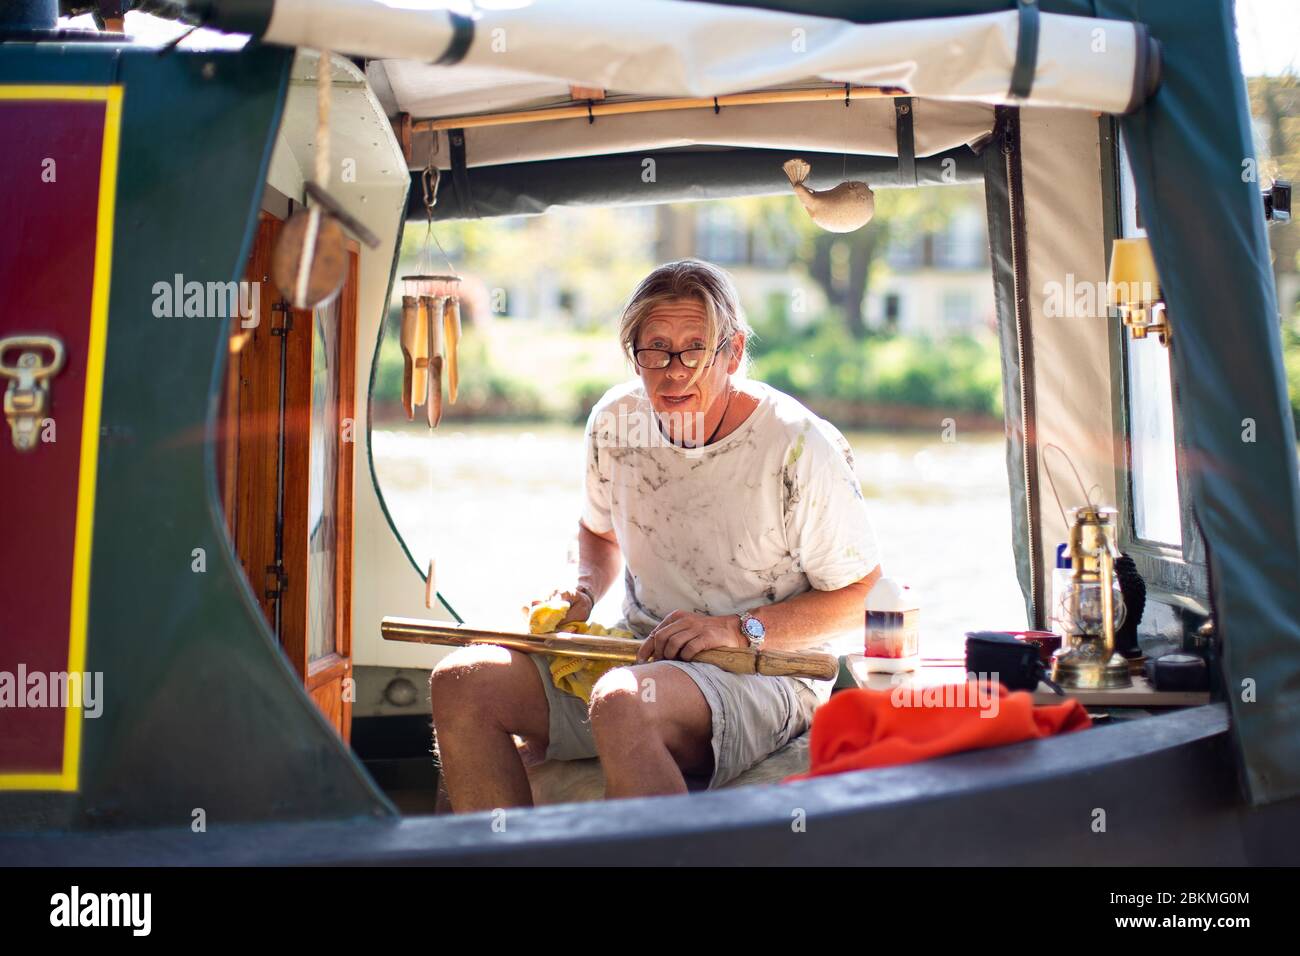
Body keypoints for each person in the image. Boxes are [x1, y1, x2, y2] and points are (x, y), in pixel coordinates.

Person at [430, 259, 882, 811]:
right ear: (634, 354)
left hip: (767, 670)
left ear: (733, 353)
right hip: (638, 646)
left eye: (695, 350)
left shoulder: (798, 443)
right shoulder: (615, 421)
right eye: (657, 350)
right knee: (462, 681)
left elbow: (862, 599)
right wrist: (582, 590)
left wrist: (734, 630)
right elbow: (598, 534)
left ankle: (660, 849)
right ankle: (502, 851)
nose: (674, 371)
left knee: (624, 701)